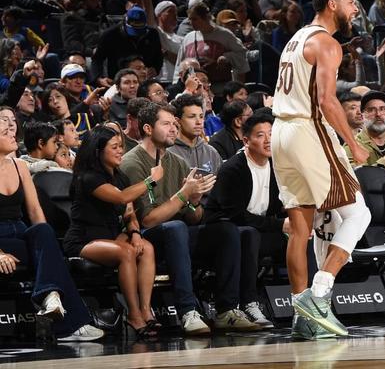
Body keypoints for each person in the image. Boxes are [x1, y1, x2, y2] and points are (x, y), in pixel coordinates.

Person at [271, 0, 371, 339]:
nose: (355, 9)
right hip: (306, 129)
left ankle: (302, 314)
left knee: (300, 228)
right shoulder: (327, 43)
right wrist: (353, 144)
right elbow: (327, 100)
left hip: (280, 132)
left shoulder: (296, 39)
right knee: (359, 213)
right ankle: (321, 292)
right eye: (351, 2)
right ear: (332, 5)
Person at [120, 102, 259, 334]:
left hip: (179, 234)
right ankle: (187, 311)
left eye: (174, 124)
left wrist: (194, 200)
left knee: (227, 230)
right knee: (175, 228)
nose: (173, 129)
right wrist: (183, 195)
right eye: (166, 124)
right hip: (146, 240)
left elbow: (194, 218)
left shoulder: (178, 162)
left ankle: (227, 310)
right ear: (147, 129)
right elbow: (148, 220)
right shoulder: (132, 163)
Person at [0, 116, 104, 342]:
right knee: (52, 258)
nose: (12, 135)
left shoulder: (19, 166)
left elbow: (35, 211)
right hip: (2, 241)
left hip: (20, 233)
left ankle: (51, 295)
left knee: (45, 233)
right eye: (5, 132)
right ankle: (71, 325)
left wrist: (45, 244)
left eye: (12, 130)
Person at [65, 126, 162, 337]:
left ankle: (146, 310)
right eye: (115, 147)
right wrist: (151, 181)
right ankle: (133, 314)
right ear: (98, 151)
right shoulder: (88, 178)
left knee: (146, 247)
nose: (120, 151)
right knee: (125, 252)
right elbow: (121, 198)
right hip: (84, 240)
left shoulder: (121, 178)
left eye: (121, 146)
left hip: (112, 236)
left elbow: (129, 213)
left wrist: (135, 234)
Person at [204, 113, 287, 329]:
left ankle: (312, 299)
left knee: (303, 234)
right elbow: (237, 215)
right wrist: (280, 224)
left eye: (271, 134)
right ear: (246, 140)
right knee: (249, 233)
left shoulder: (277, 166)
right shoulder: (233, 169)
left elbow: (278, 205)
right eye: (261, 135)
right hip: (226, 231)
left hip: (260, 229)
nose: (268, 140)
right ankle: (248, 303)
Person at [168, 95, 223, 180]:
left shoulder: (211, 152)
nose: (199, 122)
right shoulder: (166, 153)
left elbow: (222, 184)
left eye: (201, 116)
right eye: (192, 117)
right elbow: (153, 186)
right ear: (177, 121)